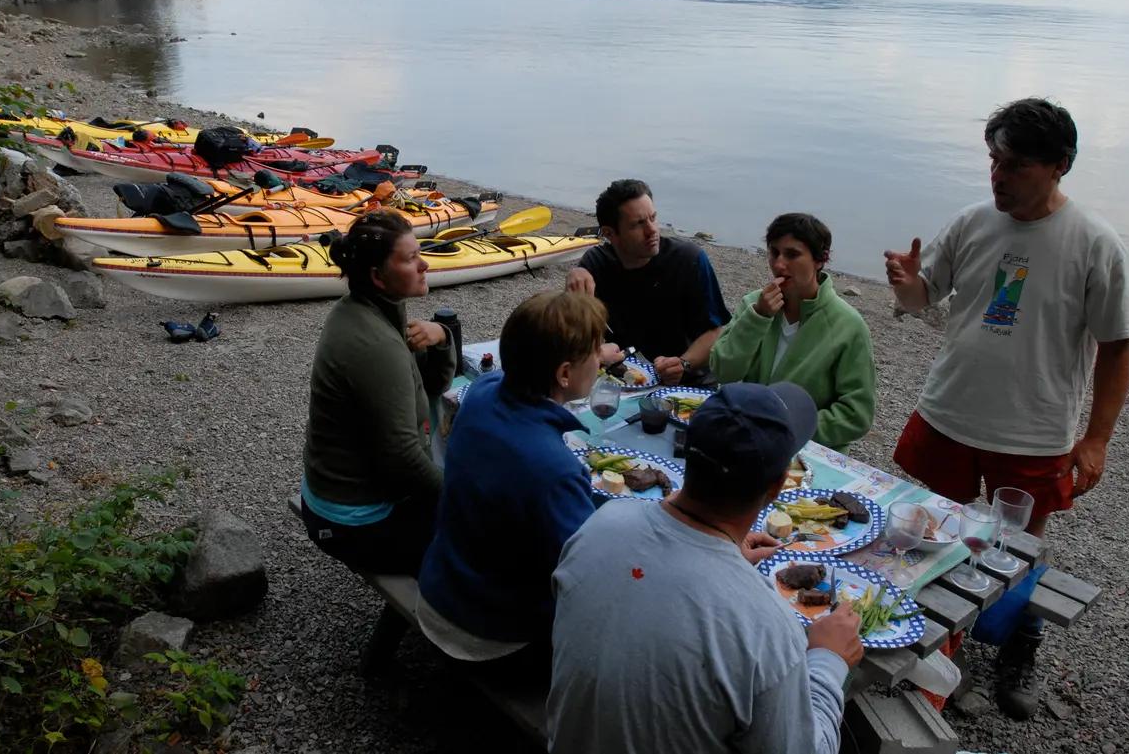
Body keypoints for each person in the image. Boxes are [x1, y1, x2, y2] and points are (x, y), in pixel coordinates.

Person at [884, 97, 1129, 719]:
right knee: (921, 531)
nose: (998, 176)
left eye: (1016, 164)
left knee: (1019, 547)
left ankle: (1014, 640)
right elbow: (926, 299)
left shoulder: (1095, 243)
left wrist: (1097, 438)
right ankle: (914, 631)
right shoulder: (974, 221)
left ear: (1060, 166)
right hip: (948, 408)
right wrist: (907, 285)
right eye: (994, 160)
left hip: (1032, 431)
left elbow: (1117, 347)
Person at [547, 382, 864, 754]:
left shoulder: (601, 524)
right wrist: (828, 661)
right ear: (778, 486)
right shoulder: (768, 627)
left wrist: (720, 560)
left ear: (685, 453)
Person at [416, 291, 605, 671]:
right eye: (596, 354)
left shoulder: (482, 393)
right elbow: (588, 568)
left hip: (440, 587)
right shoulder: (554, 469)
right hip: (487, 636)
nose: (600, 361)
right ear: (564, 374)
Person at [299, 211, 455, 576]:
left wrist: (443, 337)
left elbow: (432, 386)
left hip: (342, 493)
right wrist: (463, 500)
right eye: (411, 258)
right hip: (355, 523)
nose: (425, 264)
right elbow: (403, 461)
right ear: (377, 276)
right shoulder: (374, 343)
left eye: (420, 253)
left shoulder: (364, 311)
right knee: (495, 547)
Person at [709, 213, 875, 452]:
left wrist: (789, 428)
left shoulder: (848, 326)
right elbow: (723, 370)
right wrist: (758, 318)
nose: (778, 264)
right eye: (774, 252)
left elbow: (857, 414)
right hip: (749, 442)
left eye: (792, 254)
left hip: (809, 453)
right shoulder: (754, 304)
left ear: (821, 259)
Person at [565, 178, 731, 385]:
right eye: (638, 224)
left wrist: (684, 363)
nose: (652, 230)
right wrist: (573, 282)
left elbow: (715, 330)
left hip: (685, 385)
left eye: (653, 218)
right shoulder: (596, 264)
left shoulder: (689, 260)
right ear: (609, 233)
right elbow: (574, 331)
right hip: (622, 380)